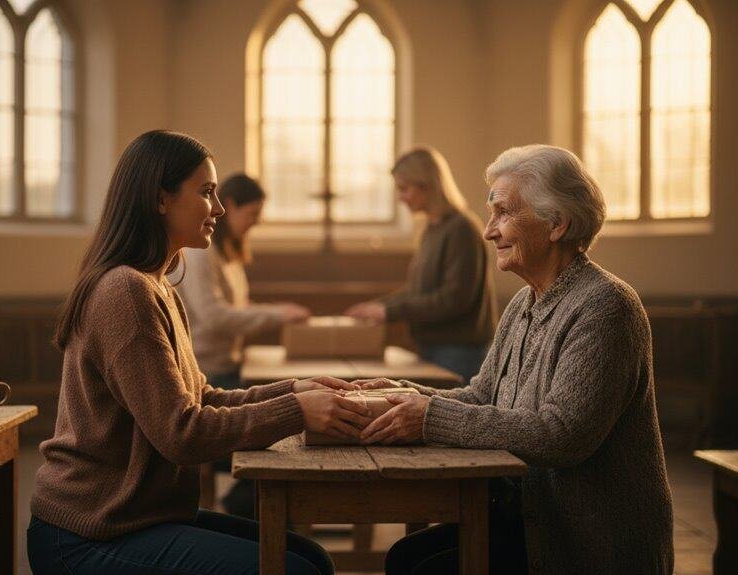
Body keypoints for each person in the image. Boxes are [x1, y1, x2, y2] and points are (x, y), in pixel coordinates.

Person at [28, 130, 374, 575]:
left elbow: (201, 398)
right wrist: (296, 411)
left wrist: (294, 389)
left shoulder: (157, 286)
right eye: (207, 192)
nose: (219, 208)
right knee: (300, 571)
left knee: (312, 558)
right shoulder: (126, 291)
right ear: (160, 199)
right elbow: (182, 434)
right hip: (88, 532)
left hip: (137, 516)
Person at [356, 145, 674, 574]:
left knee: (418, 568)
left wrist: (428, 417)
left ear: (556, 224)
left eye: (504, 213)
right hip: (528, 519)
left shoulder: (606, 306)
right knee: (406, 557)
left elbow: (563, 435)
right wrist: (403, 394)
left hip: (586, 542)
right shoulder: (525, 301)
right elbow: (482, 394)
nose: (489, 231)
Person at [177, 173, 310, 519]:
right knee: (279, 442)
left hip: (229, 363)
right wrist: (277, 315)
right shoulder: (201, 255)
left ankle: (270, 514)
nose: (254, 224)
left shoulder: (228, 253)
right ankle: (250, 511)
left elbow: (237, 310)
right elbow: (215, 316)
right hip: (209, 367)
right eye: (251, 215)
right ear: (230, 206)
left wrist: (276, 312)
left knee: (285, 430)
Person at [346, 147, 497, 384]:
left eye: (404, 189)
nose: (400, 198)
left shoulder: (461, 228)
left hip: (458, 351)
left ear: (425, 185)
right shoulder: (431, 229)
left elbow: (454, 299)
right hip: (431, 345)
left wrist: (389, 312)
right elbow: (417, 291)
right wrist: (379, 306)